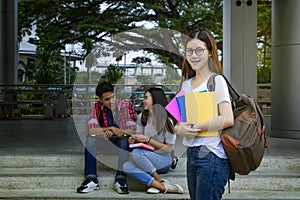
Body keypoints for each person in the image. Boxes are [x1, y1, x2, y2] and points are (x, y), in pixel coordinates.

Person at [174, 28, 234, 200]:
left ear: (209, 52)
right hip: (192, 155)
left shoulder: (217, 81)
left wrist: (196, 127)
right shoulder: (186, 85)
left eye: (199, 50)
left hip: (212, 155)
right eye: (189, 51)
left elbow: (227, 118)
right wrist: (180, 129)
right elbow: (178, 122)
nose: (194, 55)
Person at [77, 81, 137, 194]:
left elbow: (133, 130)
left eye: (113, 97)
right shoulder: (96, 107)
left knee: (125, 139)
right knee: (91, 139)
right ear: (100, 100)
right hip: (104, 143)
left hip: (121, 145)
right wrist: (109, 129)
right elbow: (91, 130)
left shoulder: (126, 105)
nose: (111, 101)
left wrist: (114, 132)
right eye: (107, 99)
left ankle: (120, 178)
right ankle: (91, 179)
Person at [123, 87, 184, 194]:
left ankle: (158, 180)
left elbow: (169, 148)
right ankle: (161, 185)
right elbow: (141, 139)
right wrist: (135, 140)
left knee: (137, 153)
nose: (143, 100)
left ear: (155, 100)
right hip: (146, 157)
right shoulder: (142, 117)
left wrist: (149, 140)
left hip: (163, 160)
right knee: (126, 166)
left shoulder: (167, 121)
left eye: (146, 98)